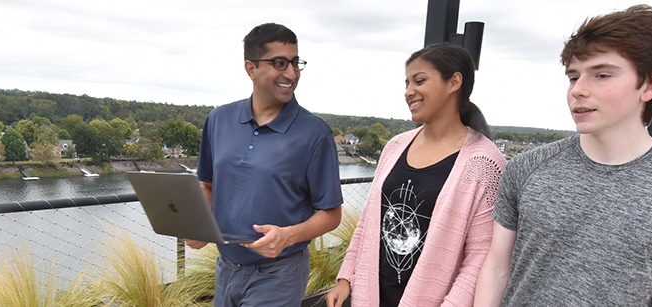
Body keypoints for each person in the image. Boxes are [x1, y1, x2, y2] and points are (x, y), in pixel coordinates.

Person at [474, 5, 652, 306]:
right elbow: (497, 268)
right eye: (573, 77)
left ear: (651, 84)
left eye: (602, 75)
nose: (578, 90)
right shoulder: (525, 168)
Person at [326, 43, 506, 307]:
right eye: (407, 83)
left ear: (454, 81)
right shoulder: (394, 147)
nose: (409, 92)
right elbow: (368, 223)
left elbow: (480, 257)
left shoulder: (485, 162)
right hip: (370, 298)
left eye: (419, 81)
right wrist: (346, 279)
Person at [194, 22, 343, 307]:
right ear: (251, 68)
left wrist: (287, 236)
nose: (291, 73)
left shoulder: (315, 134)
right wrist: (199, 226)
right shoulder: (218, 119)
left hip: (280, 274)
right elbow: (207, 185)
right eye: (279, 63)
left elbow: (331, 214)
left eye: (295, 63)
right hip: (226, 268)